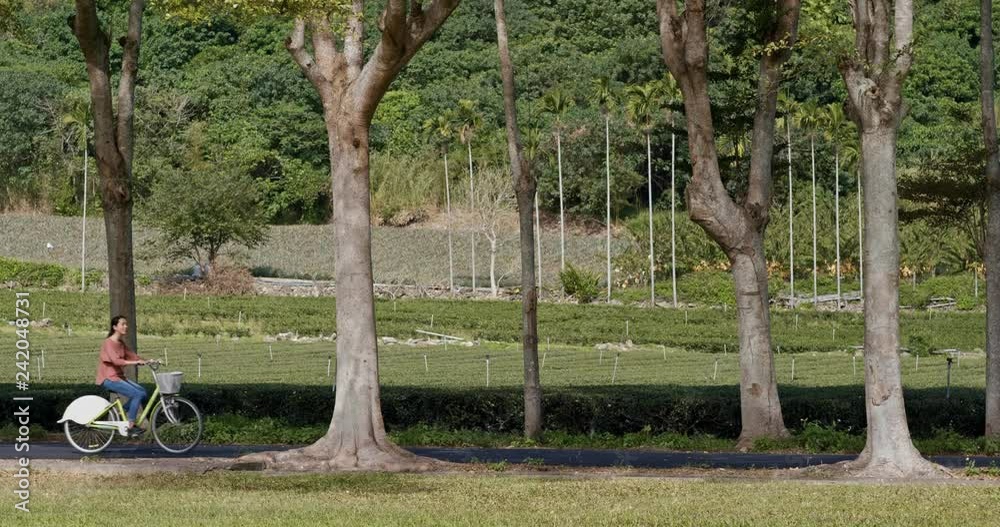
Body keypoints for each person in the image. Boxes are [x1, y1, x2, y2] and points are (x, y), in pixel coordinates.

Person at [95, 316, 149, 436]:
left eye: (126, 324)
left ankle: (121, 412)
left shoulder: (120, 343)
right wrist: (135, 363)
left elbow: (132, 356)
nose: (126, 326)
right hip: (109, 378)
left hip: (119, 377)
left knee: (143, 393)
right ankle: (130, 426)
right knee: (137, 394)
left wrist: (148, 361)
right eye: (123, 324)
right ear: (115, 327)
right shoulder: (108, 343)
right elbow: (116, 361)